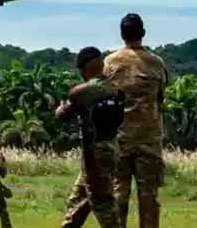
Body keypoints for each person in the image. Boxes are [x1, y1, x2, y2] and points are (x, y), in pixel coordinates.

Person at [104, 13, 168, 228]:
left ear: (122, 34)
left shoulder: (109, 63)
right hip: (149, 141)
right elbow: (160, 98)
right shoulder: (157, 63)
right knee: (149, 198)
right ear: (143, 33)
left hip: (118, 139)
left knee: (118, 195)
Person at [56, 46, 125, 228]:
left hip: (94, 153)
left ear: (84, 68)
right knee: (78, 200)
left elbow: (63, 115)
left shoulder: (82, 92)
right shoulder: (116, 89)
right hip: (112, 147)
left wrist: (60, 107)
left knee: (103, 204)